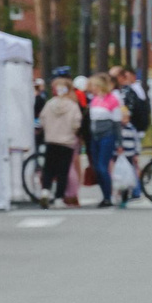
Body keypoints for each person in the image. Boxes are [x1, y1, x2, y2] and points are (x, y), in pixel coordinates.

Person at [38, 77, 83, 208]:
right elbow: (76, 123)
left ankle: (45, 191)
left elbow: (42, 120)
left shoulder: (49, 104)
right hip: (67, 142)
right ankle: (59, 197)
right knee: (63, 171)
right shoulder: (73, 106)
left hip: (51, 140)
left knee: (48, 169)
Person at [87, 73, 128, 207]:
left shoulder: (112, 100)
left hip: (107, 136)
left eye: (93, 85)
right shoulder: (94, 100)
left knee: (102, 167)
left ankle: (108, 196)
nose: (91, 88)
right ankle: (104, 195)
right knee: (97, 168)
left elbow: (117, 124)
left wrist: (119, 143)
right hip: (95, 136)